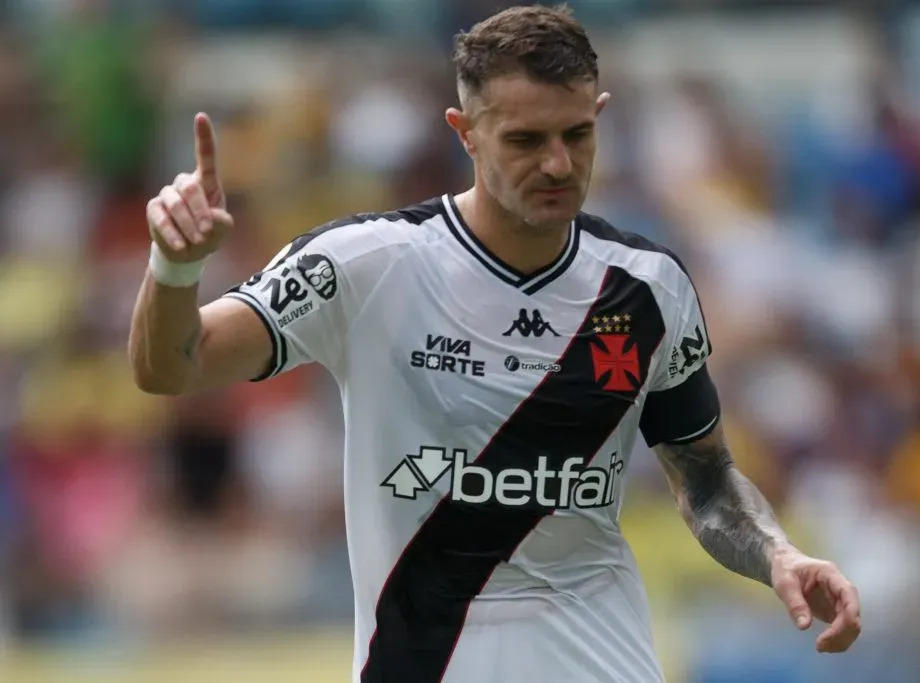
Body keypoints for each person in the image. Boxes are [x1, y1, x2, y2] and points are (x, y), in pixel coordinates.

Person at [128, 4, 862, 681]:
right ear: (465, 132)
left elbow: (703, 478)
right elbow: (171, 366)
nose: (558, 164)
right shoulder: (366, 265)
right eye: (525, 140)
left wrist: (777, 553)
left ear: (601, 116)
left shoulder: (648, 288)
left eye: (577, 135)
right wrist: (175, 268)